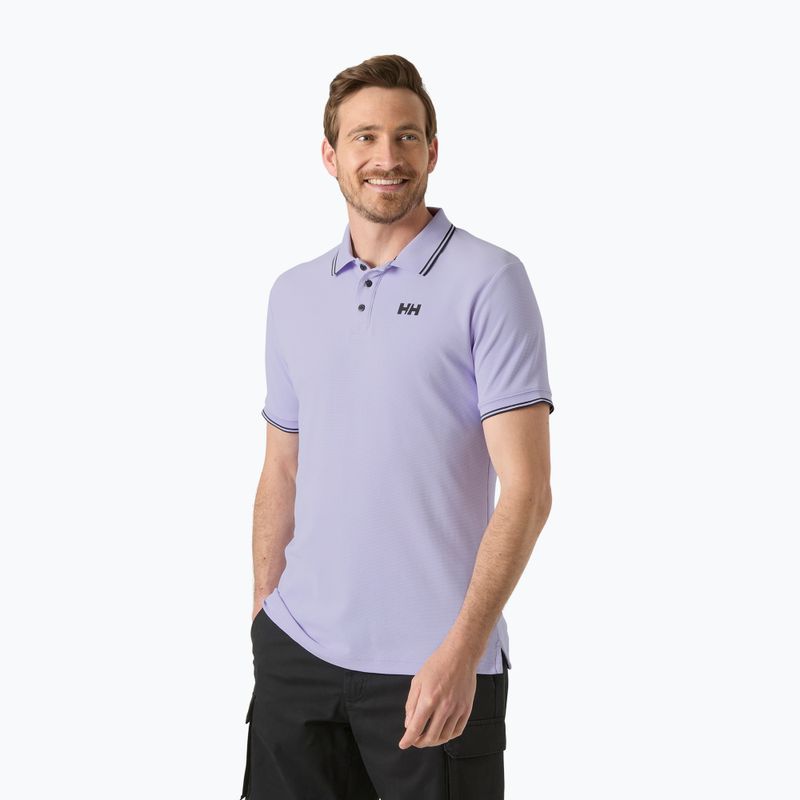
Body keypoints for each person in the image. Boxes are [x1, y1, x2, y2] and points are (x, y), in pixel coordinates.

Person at [240, 53, 554, 800]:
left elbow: (528, 489)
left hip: (432, 670)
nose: (387, 157)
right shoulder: (293, 294)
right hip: (297, 659)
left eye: (407, 137)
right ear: (330, 156)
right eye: (365, 137)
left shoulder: (489, 281)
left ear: (433, 151)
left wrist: (463, 651)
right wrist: (264, 617)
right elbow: (282, 466)